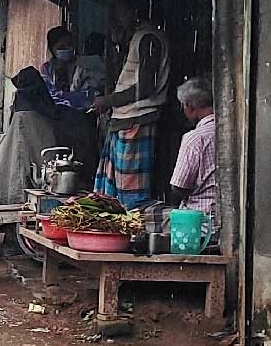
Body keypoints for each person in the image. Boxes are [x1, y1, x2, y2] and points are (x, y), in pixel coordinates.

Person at [92, 18, 171, 209]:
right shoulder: (137, 39)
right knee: (109, 194)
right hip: (124, 121)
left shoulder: (149, 39)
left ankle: (133, 234)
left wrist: (109, 101)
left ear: (133, 14)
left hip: (137, 121)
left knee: (132, 196)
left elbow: (146, 88)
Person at [168, 77, 218, 214]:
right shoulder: (233, 131)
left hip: (200, 218)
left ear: (189, 106)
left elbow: (179, 187)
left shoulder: (194, 138)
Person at [40, 27, 101, 110]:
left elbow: (91, 93)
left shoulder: (83, 65)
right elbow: (49, 95)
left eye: (69, 45)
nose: (67, 49)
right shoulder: (47, 69)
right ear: (52, 49)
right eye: (62, 47)